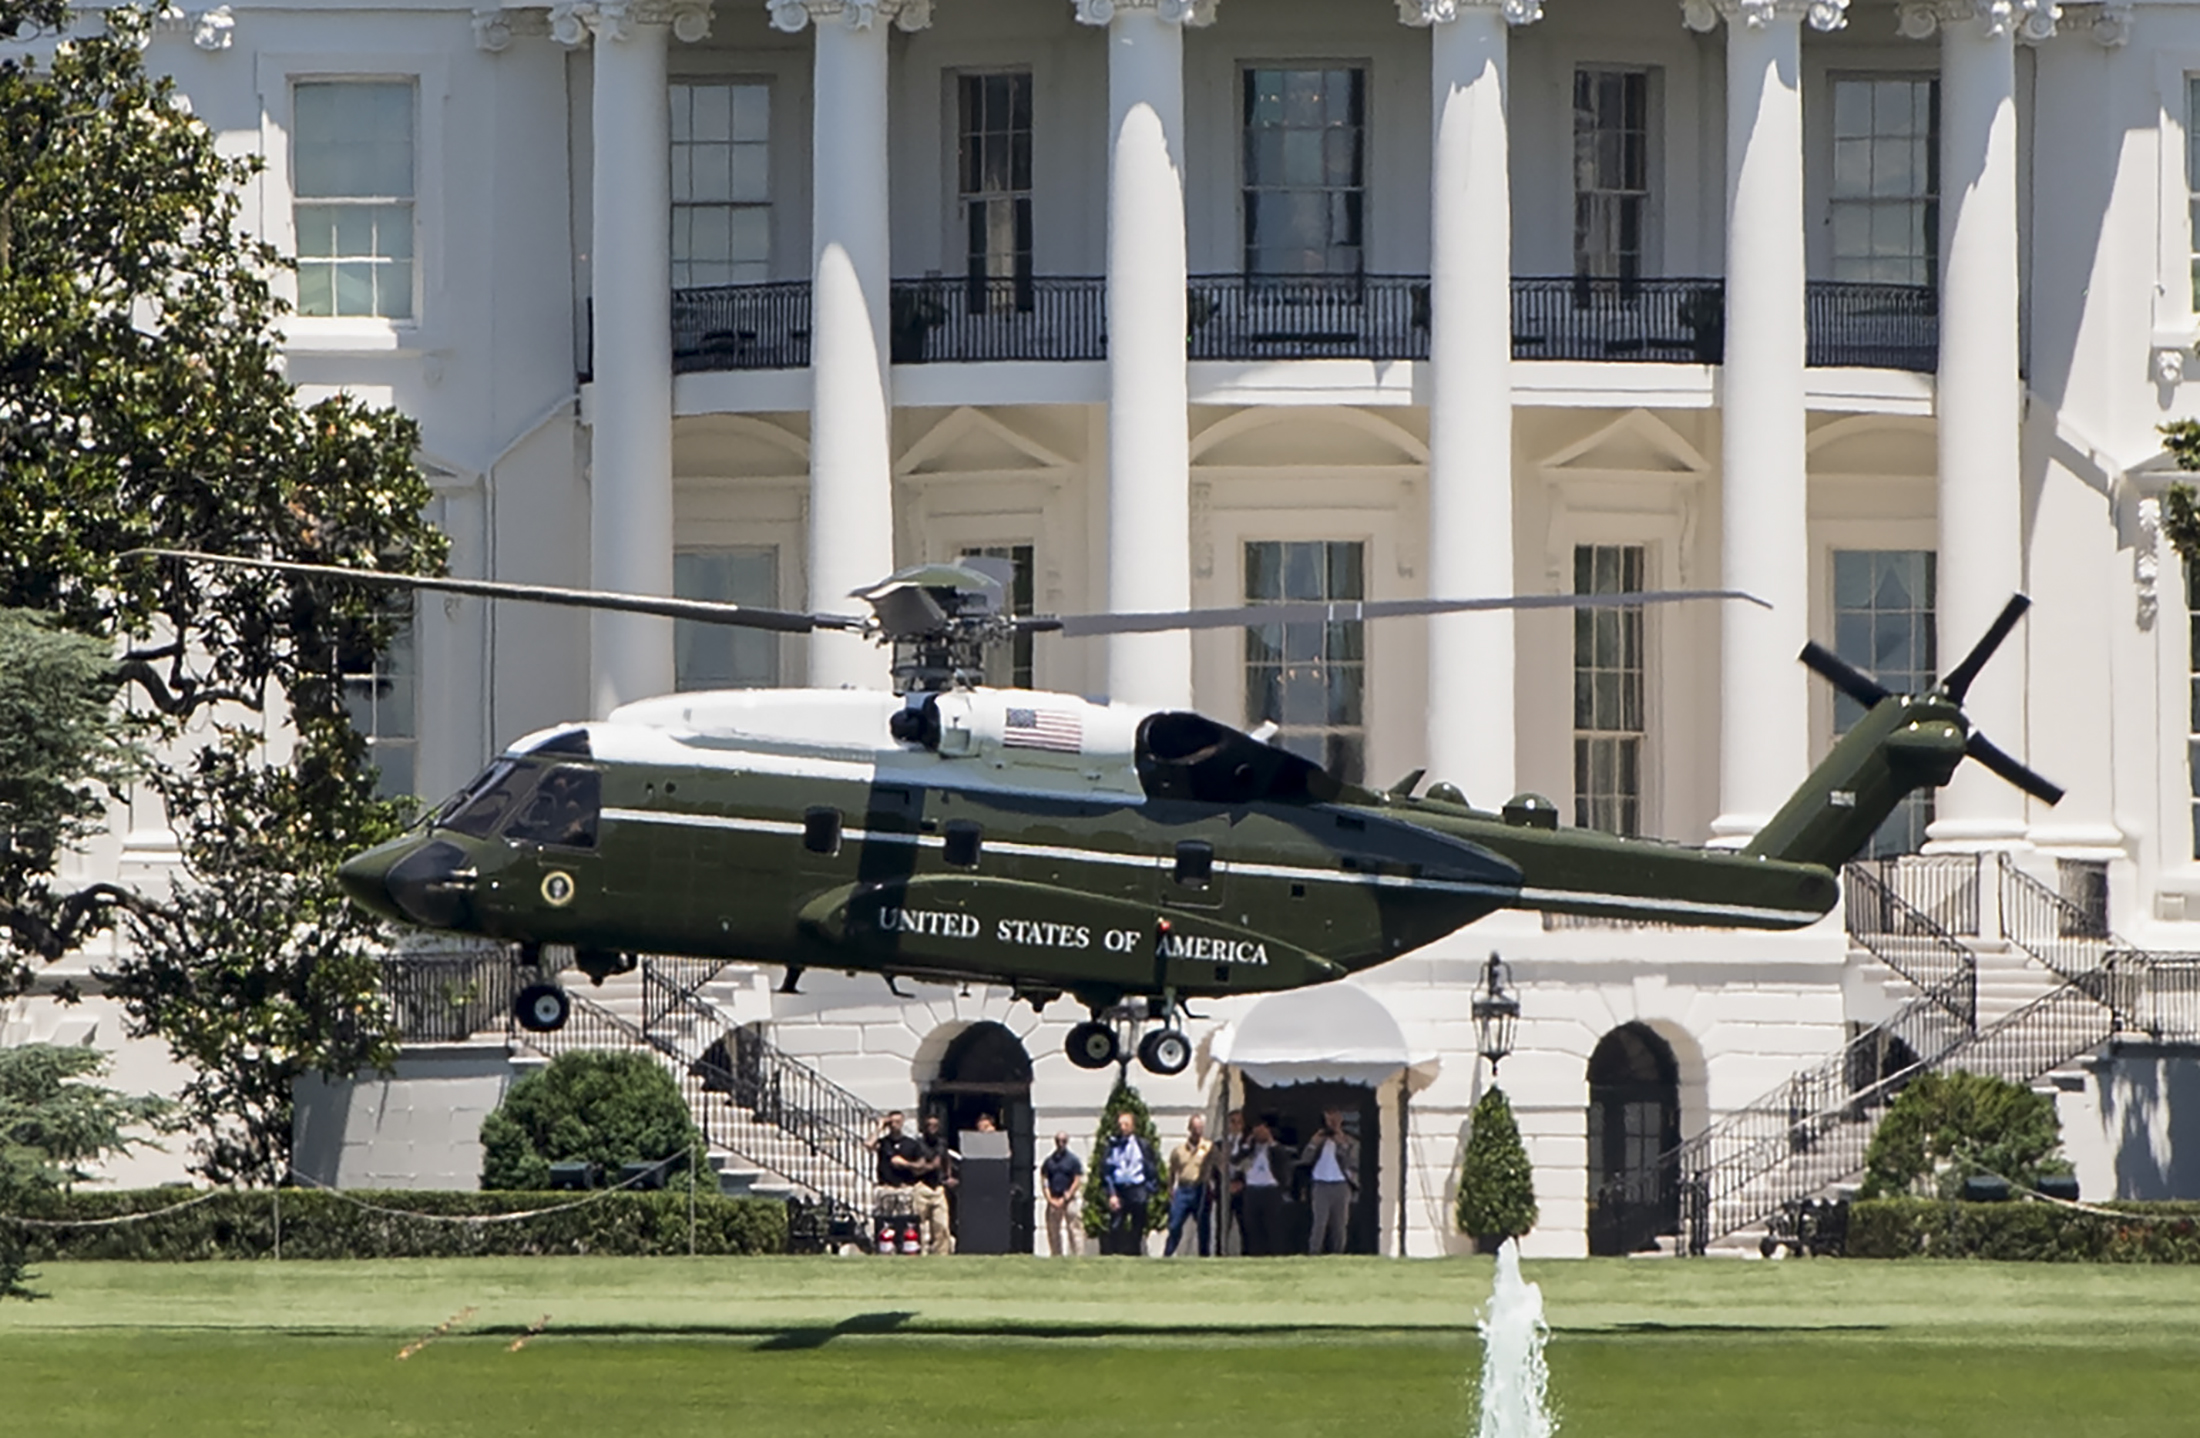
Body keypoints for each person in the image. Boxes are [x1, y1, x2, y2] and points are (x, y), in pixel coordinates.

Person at [1301, 1107, 1360, 1255]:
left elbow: (1352, 1162)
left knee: (1339, 1224)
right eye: (1329, 1117)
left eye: (1335, 1117)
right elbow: (1305, 1159)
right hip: (1320, 1184)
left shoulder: (1350, 1140)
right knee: (1319, 1222)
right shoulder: (1319, 1138)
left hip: (1340, 1184)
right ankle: (1314, 1252)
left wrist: (1341, 1144)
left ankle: (1338, 1252)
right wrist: (1314, 1143)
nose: (1332, 1122)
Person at [1101, 1109, 1160, 1256]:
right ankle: (1116, 1253)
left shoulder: (1142, 1145)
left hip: (1137, 1188)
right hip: (1119, 1188)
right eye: (1120, 1124)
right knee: (1116, 1225)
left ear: (1133, 1126)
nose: (1123, 1127)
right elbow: (1106, 1171)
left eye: (1126, 1124)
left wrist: (1149, 1189)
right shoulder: (1113, 1145)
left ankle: (1135, 1253)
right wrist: (1111, 1193)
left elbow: (1151, 1167)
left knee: (1138, 1225)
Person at [1235, 1119, 1290, 1257]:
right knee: (1252, 1226)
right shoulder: (1249, 1149)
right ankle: (1254, 1253)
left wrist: (1270, 1141)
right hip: (1252, 1189)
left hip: (1270, 1189)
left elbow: (1282, 1162)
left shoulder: (1276, 1149)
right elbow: (1235, 1161)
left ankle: (1275, 1253)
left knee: (1273, 1226)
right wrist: (1247, 1145)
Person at [1163, 1114, 1215, 1258]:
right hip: (1183, 1189)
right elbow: (1172, 1171)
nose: (1197, 1130)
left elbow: (1220, 1164)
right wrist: (1170, 1189)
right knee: (1175, 1224)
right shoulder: (1179, 1151)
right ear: (1189, 1128)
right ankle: (1168, 1254)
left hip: (1201, 1189)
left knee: (1203, 1226)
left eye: (1200, 1128)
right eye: (1195, 1127)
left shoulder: (1209, 1148)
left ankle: (1204, 1256)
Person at [911, 1112, 958, 1254]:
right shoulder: (917, 1145)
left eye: (935, 1126)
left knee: (942, 1225)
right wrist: (930, 1166)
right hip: (922, 1187)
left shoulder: (941, 1143)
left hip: (938, 1188)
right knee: (920, 1224)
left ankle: (941, 1254)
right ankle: (920, 1252)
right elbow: (916, 1167)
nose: (932, 1128)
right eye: (929, 1125)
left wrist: (948, 1176)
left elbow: (946, 1160)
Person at [873, 1111, 921, 1235]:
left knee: (905, 1221)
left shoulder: (911, 1143)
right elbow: (868, 1144)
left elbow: (920, 1165)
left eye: (898, 1122)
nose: (895, 1125)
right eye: (892, 1122)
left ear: (903, 1122)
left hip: (904, 1187)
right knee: (884, 1220)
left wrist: (905, 1164)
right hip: (886, 1187)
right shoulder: (884, 1142)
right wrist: (879, 1127)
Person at [1040, 1131, 1085, 1257]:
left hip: (1069, 1200)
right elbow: (1044, 1180)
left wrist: (1068, 1196)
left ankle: (1078, 1256)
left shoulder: (1073, 1160)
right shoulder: (1049, 1161)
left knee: (1074, 1229)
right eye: (1058, 1141)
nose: (1061, 1144)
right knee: (1053, 1230)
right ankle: (1056, 1255)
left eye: (1063, 1141)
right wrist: (1049, 1199)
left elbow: (1077, 1179)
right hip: (1054, 1199)